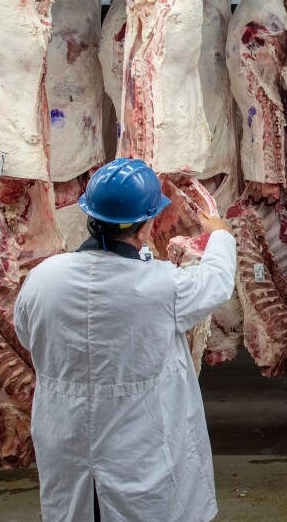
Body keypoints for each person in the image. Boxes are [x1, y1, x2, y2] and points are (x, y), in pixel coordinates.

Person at [13, 158, 237, 522]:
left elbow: (27, 335)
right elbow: (216, 282)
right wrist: (221, 234)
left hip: (64, 438)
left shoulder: (43, 277)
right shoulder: (161, 285)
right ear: (148, 226)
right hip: (139, 448)